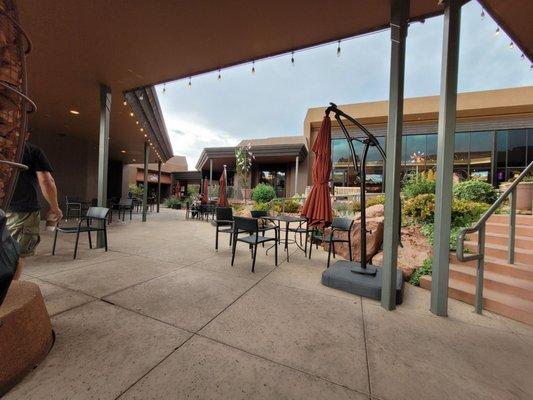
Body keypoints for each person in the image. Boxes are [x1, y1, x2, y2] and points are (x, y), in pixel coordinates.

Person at [6, 142, 62, 279]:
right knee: (16, 255)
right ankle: (9, 295)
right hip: (21, 212)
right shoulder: (31, 151)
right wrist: (55, 208)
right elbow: (47, 181)